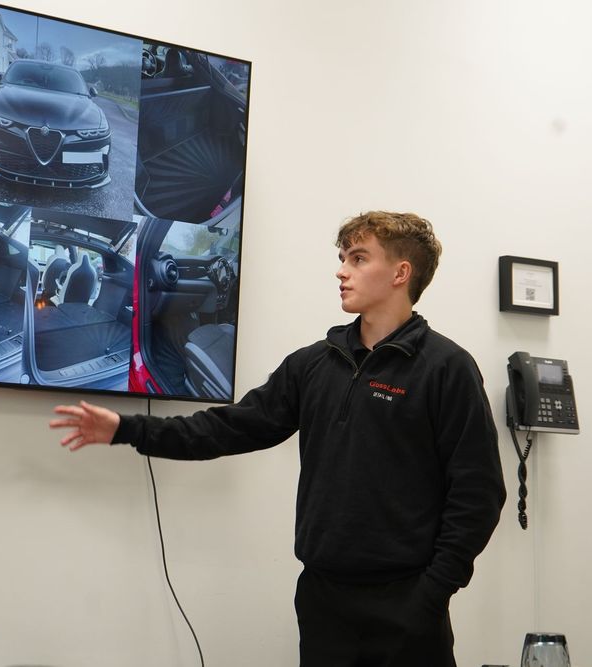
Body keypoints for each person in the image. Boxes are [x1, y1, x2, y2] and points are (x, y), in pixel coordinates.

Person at [50, 211, 506, 667]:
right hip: (322, 599)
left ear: (401, 273)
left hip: (409, 602)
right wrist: (128, 429)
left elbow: (478, 492)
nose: (341, 270)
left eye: (359, 258)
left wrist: (433, 591)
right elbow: (230, 427)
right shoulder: (313, 364)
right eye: (343, 257)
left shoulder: (447, 368)